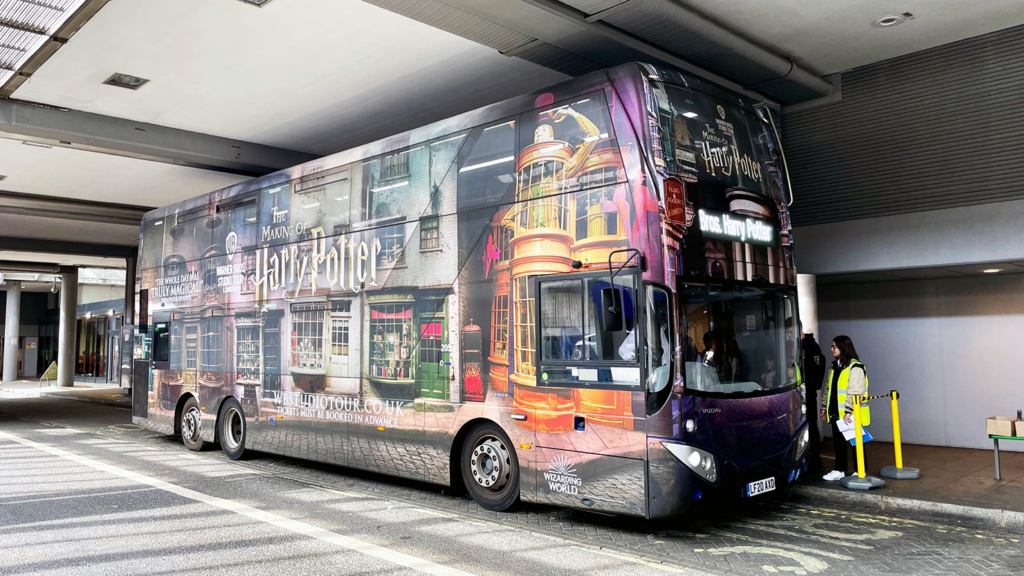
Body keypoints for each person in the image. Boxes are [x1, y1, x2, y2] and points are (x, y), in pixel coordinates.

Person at [820, 335, 870, 481]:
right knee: (838, 443)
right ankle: (839, 469)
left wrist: (849, 411)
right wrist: (824, 406)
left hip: (850, 413)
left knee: (856, 442)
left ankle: (860, 470)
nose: (831, 349)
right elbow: (828, 389)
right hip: (836, 412)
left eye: (834, 346)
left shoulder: (856, 367)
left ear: (843, 347)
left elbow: (855, 391)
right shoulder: (835, 367)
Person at [800, 328, 827, 474]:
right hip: (810, 391)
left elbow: (815, 367)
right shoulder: (814, 347)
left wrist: (812, 385)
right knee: (812, 423)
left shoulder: (805, 348)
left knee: (808, 423)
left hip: (806, 391)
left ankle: (811, 453)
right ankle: (813, 453)